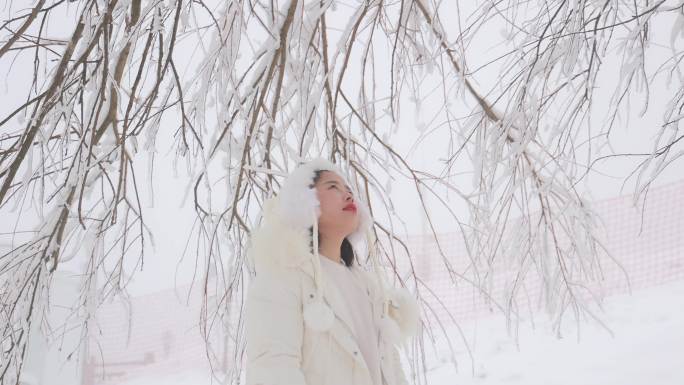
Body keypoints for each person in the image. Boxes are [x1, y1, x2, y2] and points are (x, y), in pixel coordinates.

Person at [245, 158, 419, 385]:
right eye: (333, 187)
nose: (348, 195)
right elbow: (273, 369)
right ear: (303, 202)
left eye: (349, 189)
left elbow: (392, 372)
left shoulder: (368, 286)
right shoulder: (283, 278)